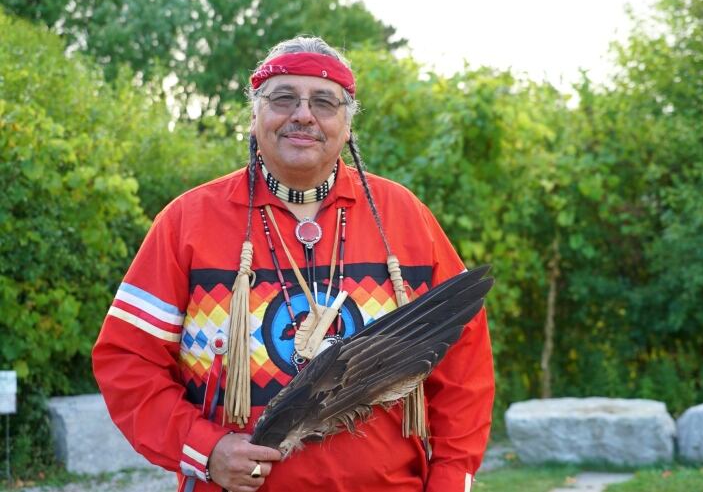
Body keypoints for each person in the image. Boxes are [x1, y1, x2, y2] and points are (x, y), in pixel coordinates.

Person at [93, 36, 494, 492]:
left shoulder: (403, 219)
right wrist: (206, 450)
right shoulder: (187, 222)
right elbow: (127, 362)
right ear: (254, 114)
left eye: (324, 101)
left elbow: (466, 365)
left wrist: (448, 480)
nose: (303, 114)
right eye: (283, 97)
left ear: (347, 124)